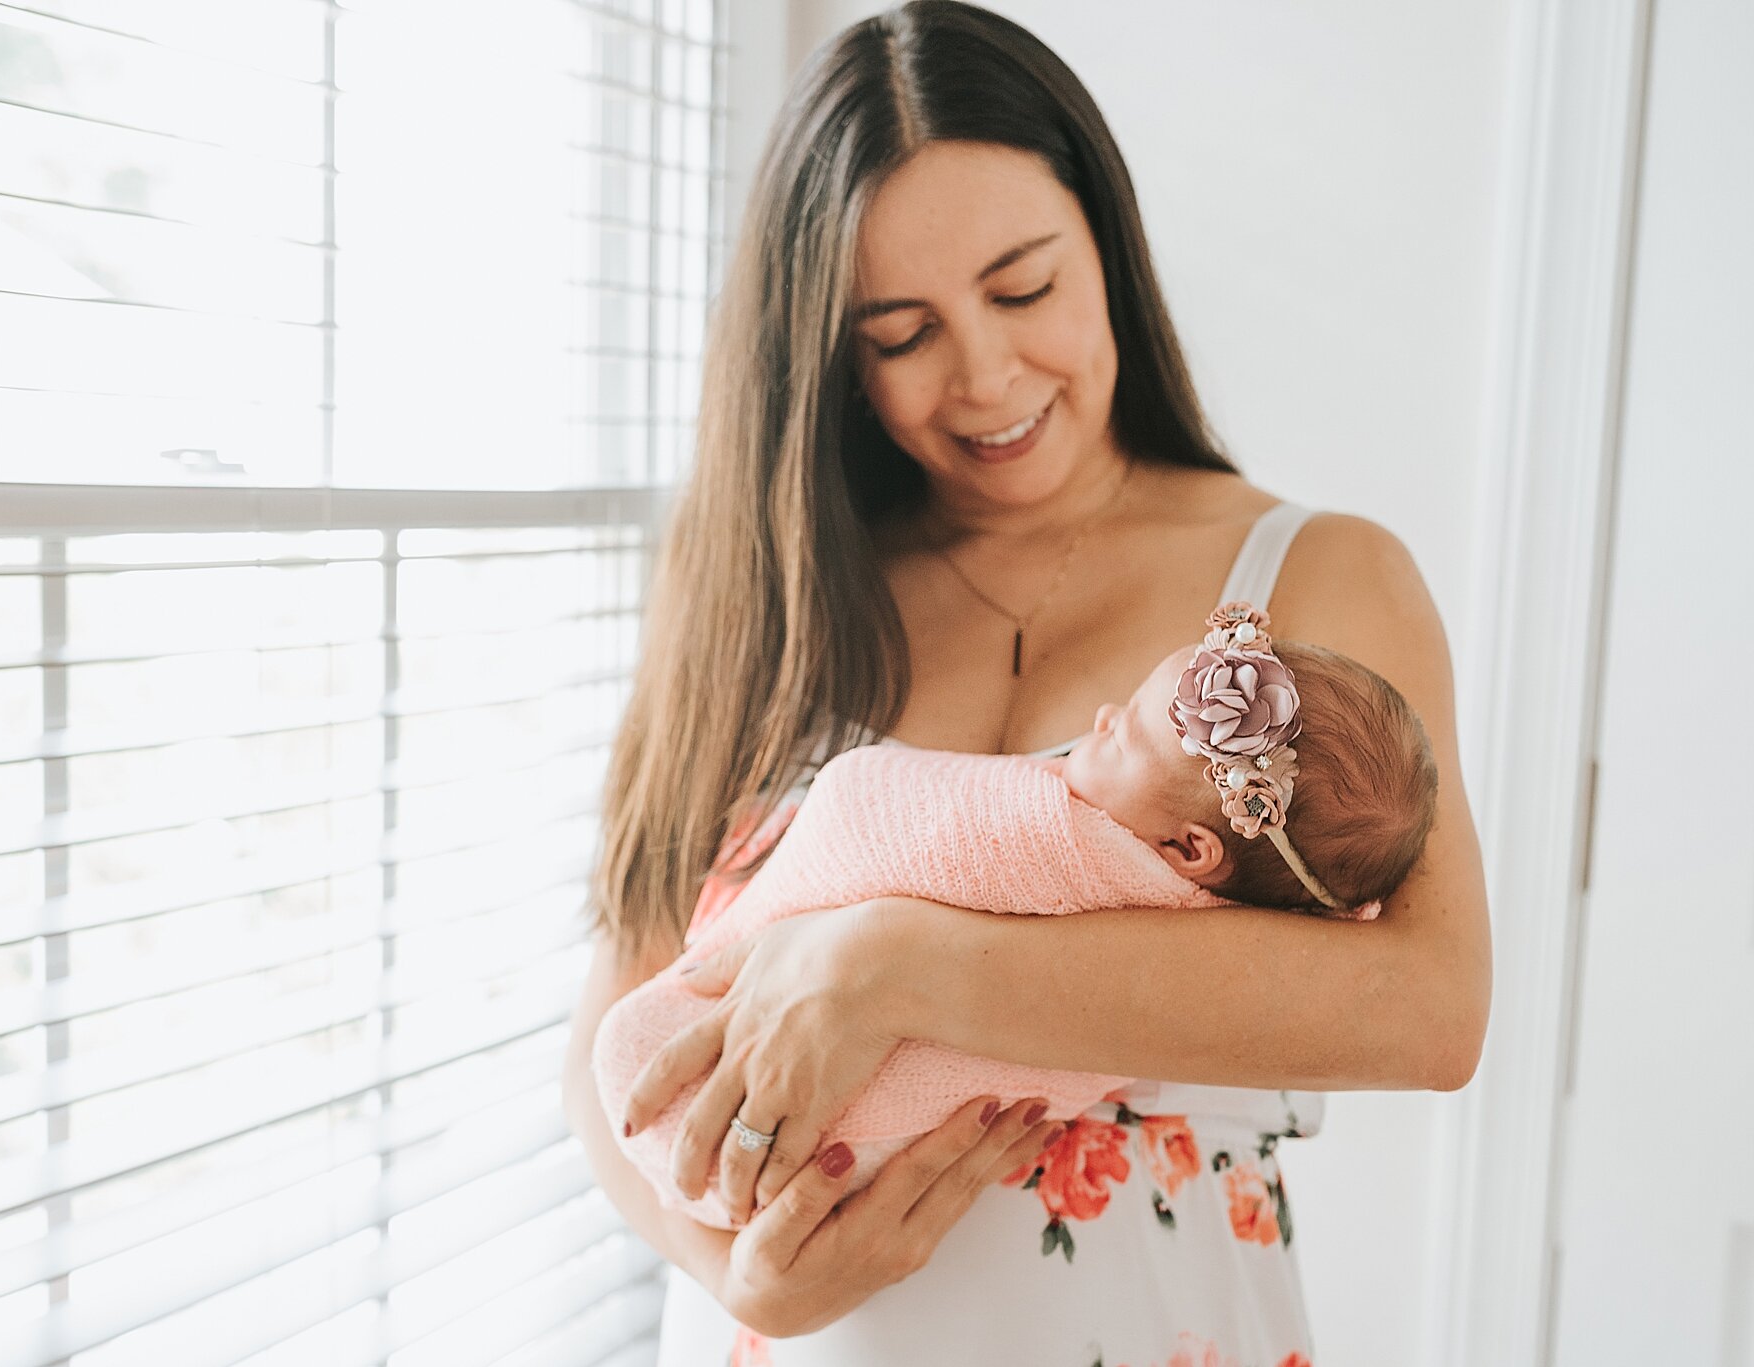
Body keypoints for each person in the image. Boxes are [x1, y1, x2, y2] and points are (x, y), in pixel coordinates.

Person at [558, 3, 1490, 1362]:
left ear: (1104, 245)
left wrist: (899, 965)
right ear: (829, 351)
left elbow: (1430, 1008)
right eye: (900, 330)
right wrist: (737, 1273)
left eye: (1021, 286)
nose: (985, 374)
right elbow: (618, 1018)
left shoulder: (1312, 583)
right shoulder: (774, 587)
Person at [593, 607, 1440, 1233]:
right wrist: (736, 1284)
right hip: (793, 1290)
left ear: (1187, 852)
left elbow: (885, 814)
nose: (1100, 721)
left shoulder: (1094, 856)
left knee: (637, 1054)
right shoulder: (782, 589)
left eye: (1125, 735)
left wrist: (882, 956)